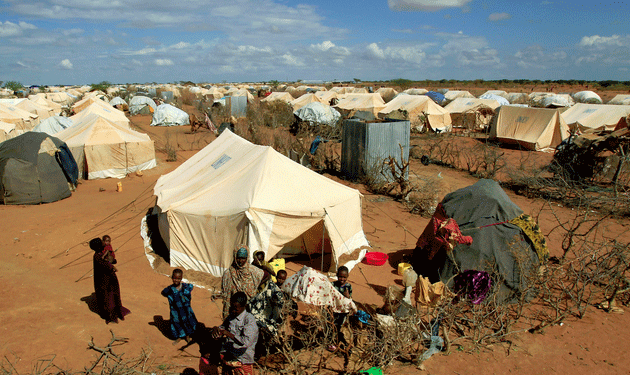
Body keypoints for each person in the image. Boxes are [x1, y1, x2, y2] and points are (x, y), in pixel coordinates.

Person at [211, 292, 259, 375]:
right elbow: (223, 328)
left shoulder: (249, 320)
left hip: (243, 359)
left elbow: (246, 342)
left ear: (245, 306)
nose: (233, 310)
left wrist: (229, 334)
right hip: (229, 355)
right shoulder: (231, 316)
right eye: (232, 307)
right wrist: (216, 329)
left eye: (236, 308)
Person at [90, 238, 129, 324]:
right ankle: (110, 314)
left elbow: (112, 261)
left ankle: (117, 310)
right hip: (104, 281)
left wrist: (111, 260)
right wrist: (112, 266)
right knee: (108, 297)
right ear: (99, 246)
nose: (104, 242)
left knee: (114, 294)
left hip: (110, 278)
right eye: (102, 241)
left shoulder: (101, 253)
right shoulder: (97, 256)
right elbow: (106, 266)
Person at [221, 245, 264, 319]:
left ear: (247, 258)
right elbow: (225, 293)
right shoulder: (228, 273)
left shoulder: (253, 271)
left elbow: (265, 275)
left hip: (249, 307)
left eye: (243, 258)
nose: (240, 261)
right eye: (238, 258)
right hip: (234, 308)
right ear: (235, 257)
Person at [162, 269, 198, 344]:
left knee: (186, 322)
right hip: (175, 311)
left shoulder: (185, 287)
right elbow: (163, 292)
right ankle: (179, 336)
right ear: (172, 277)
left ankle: (187, 336)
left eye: (178, 278)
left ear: (181, 278)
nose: (176, 280)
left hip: (185, 310)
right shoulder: (170, 289)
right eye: (174, 278)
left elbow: (191, 286)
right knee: (176, 323)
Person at [329, 266, 352, 351]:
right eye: (340, 277)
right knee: (332, 325)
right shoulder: (333, 285)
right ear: (337, 275)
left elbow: (350, 300)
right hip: (334, 309)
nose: (342, 279)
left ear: (347, 276)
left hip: (343, 311)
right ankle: (332, 342)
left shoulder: (348, 286)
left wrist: (347, 296)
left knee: (339, 326)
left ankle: (337, 342)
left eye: (344, 277)